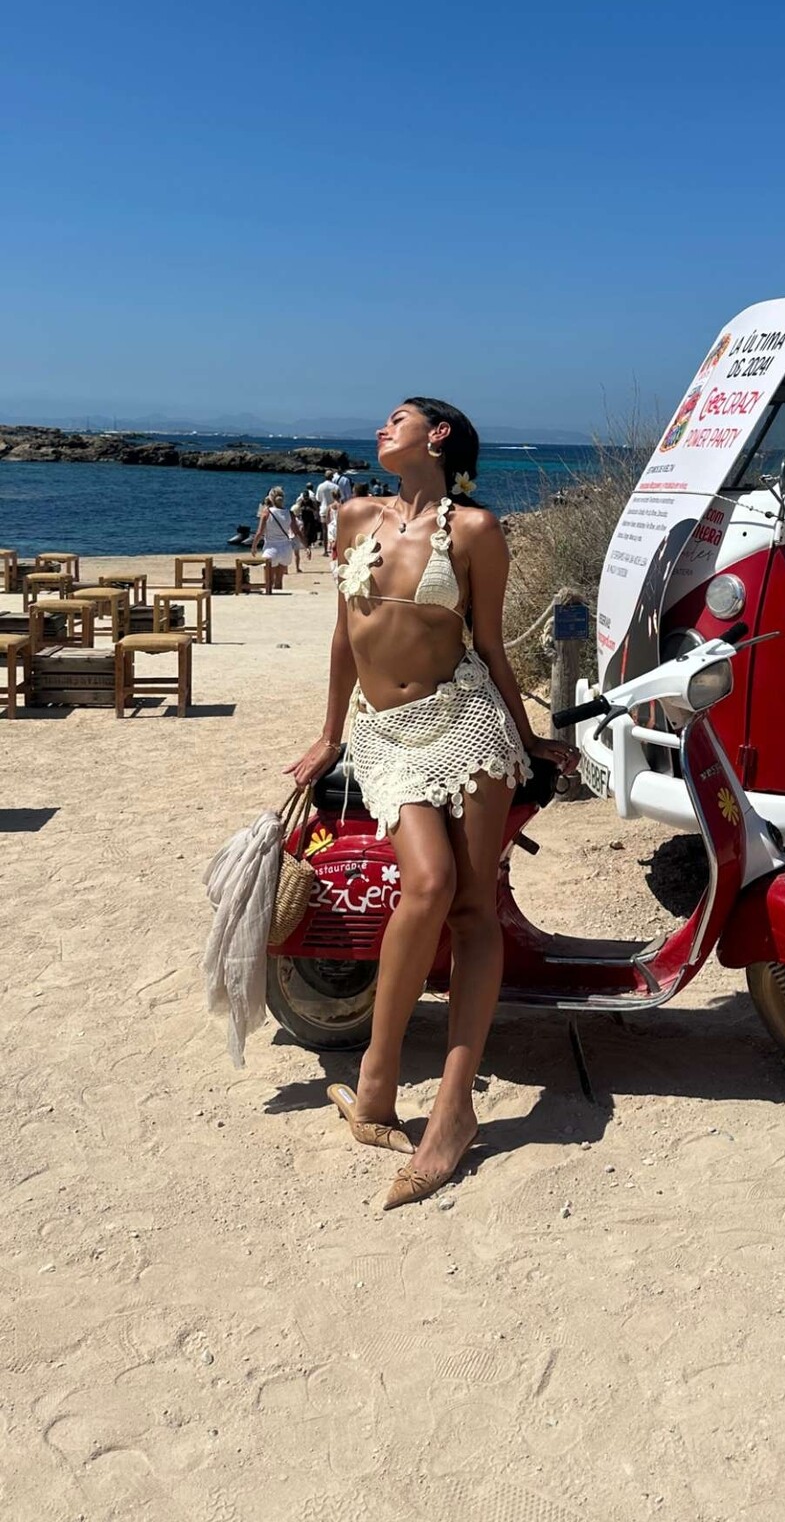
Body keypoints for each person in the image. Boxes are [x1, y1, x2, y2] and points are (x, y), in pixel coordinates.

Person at [286, 398, 577, 1210]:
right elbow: (345, 636)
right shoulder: (353, 516)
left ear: (437, 436)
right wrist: (329, 734)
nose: (383, 428)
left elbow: (490, 645)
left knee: (472, 907)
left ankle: (452, 1110)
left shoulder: (476, 530)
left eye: (398, 418)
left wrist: (531, 736)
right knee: (426, 885)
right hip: (386, 734)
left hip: (466, 720)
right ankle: (376, 1083)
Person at [253, 487, 301, 589]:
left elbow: (259, 532)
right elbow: (297, 532)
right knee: (279, 582)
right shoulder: (289, 513)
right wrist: (307, 547)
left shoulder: (266, 512)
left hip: (271, 548)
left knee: (268, 583)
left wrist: (254, 546)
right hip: (285, 549)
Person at [315, 471, 336, 554]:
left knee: (324, 530)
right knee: (334, 530)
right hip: (333, 510)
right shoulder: (335, 486)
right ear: (332, 477)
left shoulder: (320, 486)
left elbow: (318, 499)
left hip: (323, 510)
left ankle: (325, 550)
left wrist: (317, 512)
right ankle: (333, 548)